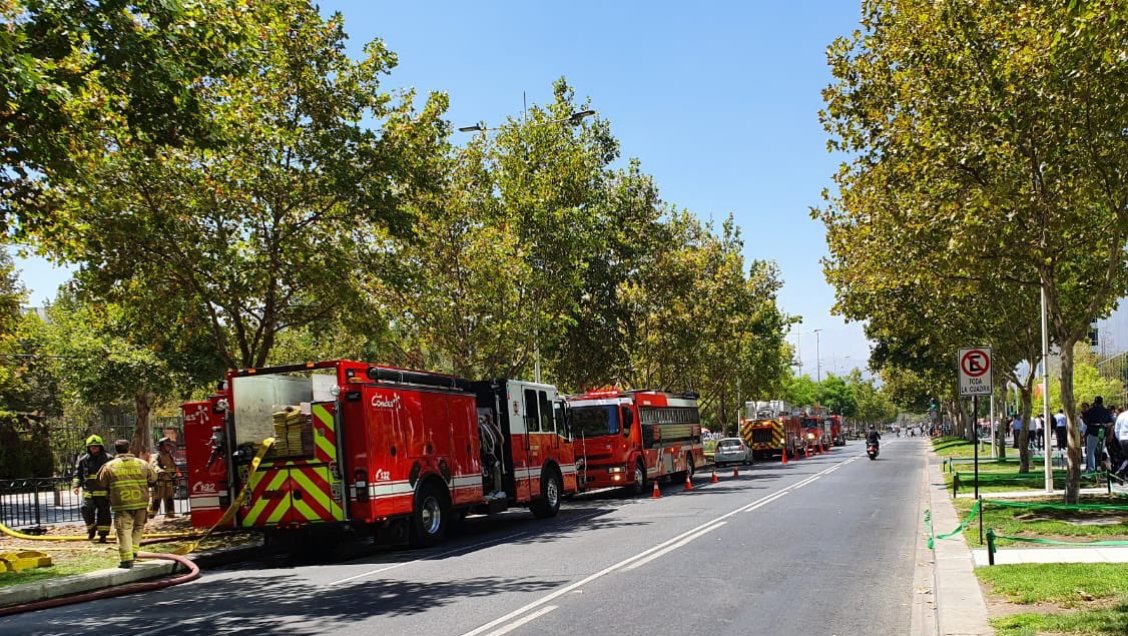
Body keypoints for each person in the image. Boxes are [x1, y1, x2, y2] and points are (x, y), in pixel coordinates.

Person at [97, 439, 157, 569]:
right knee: (138, 527)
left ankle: (126, 559)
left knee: (123, 531)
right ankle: (134, 551)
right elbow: (153, 478)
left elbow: (101, 483)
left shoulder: (109, 466)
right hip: (141, 502)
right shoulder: (143, 464)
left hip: (122, 504)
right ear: (129, 449)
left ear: (116, 450)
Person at [71, 435, 113, 543]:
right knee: (85, 509)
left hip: (103, 492)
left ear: (100, 447)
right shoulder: (83, 460)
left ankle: (103, 535)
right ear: (88, 448)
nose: (94, 448)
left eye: (96, 446)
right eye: (91, 446)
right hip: (88, 491)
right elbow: (78, 474)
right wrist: (76, 485)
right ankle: (91, 529)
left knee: (104, 514)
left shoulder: (108, 458)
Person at [149, 437, 179, 517]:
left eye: (169, 446)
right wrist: (159, 470)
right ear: (161, 446)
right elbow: (153, 464)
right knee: (157, 498)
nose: (169, 448)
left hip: (169, 480)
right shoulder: (156, 456)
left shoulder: (170, 456)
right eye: (167, 446)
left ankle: (170, 513)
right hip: (160, 481)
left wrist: (176, 475)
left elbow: (173, 467)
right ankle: (151, 514)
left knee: (169, 498)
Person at [1083, 397, 1113, 473]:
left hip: (1093, 431)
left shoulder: (1091, 410)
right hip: (1102, 431)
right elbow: (1111, 422)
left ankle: (1091, 470)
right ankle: (1103, 466)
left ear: (1095, 402)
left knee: (1091, 451)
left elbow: (1086, 420)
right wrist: (1105, 425)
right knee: (1102, 450)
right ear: (1102, 402)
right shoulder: (1106, 411)